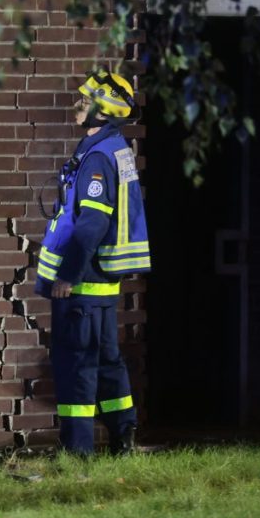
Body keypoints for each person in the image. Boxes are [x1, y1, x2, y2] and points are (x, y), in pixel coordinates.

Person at [35, 71, 151, 456]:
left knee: (77, 366)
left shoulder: (98, 157)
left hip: (82, 284)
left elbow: (92, 222)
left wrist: (67, 275)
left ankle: (77, 450)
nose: (76, 106)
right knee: (107, 363)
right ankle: (124, 436)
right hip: (101, 284)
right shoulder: (114, 147)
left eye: (84, 101)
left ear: (103, 110)